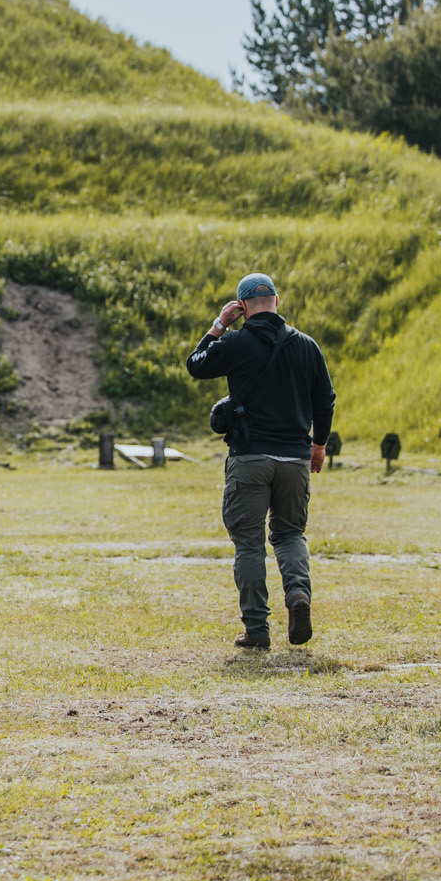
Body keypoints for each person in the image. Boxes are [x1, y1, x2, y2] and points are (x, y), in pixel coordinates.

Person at [185, 273, 336, 650]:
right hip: (296, 460)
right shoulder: (307, 346)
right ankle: (298, 596)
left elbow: (196, 364)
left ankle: (257, 630)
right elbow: (325, 399)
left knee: (249, 544)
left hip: (250, 459)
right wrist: (318, 446)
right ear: (277, 300)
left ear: (242, 307)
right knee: (289, 535)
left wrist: (219, 325)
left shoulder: (235, 342)